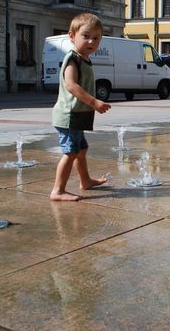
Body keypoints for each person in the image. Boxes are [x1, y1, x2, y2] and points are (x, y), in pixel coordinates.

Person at [50, 13, 112, 201]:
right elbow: (71, 84)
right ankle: (57, 191)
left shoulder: (84, 58)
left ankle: (85, 181)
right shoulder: (73, 59)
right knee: (70, 152)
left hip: (78, 115)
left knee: (81, 150)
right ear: (72, 36)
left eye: (96, 38)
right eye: (86, 36)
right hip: (69, 116)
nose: (91, 41)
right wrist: (94, 102)